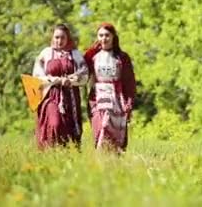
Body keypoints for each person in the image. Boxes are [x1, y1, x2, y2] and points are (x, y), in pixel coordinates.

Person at [32, 23, 88, 149]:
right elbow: (37, 74)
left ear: (67, 38)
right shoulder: (45, 53)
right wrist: (53, 80)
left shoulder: (75, 55)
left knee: (69, 128)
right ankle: (50, 150)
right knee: (55, 123)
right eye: (57, 37)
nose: (59, 40)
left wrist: (71, 81)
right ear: (52, 38)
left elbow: (84, 74)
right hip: (50, 95)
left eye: (62, 37)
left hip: (71, 97)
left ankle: (66, 154)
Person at [84, 22, 136, 152]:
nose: (104, 38)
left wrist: (129, 103)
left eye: (107, 35)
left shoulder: (122, 58)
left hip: (116, 99)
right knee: (101, 126)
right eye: (100, 35)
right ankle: (100, 159)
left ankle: (114, 162)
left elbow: (129, 82)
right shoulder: (91, 57)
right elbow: (82, 74)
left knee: (115, 133)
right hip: (97, 99)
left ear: (113, 36)